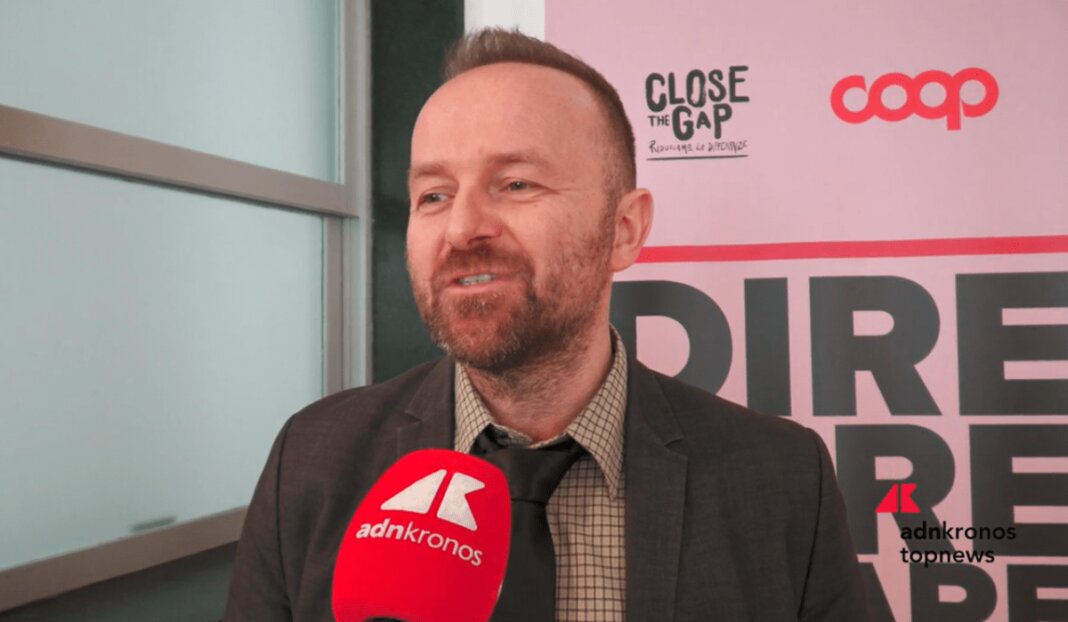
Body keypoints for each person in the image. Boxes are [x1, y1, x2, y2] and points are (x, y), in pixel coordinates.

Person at [224, 28, 870, 621]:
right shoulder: (311, 460)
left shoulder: (782, 478)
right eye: (435, 195)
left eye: (516, 184)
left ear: (625, 230)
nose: (462, 229)